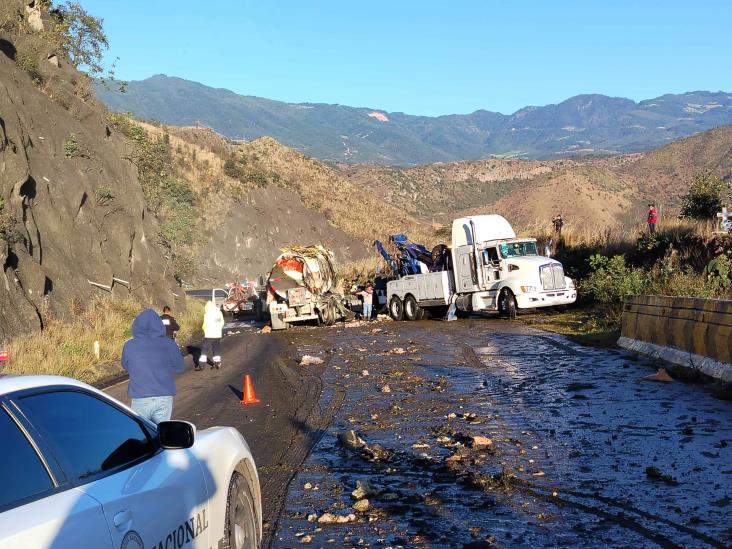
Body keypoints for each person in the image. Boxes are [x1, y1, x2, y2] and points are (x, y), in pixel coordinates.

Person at [122, 308, 186, 424]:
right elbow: (180, 367)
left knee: (143, 436)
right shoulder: (170, 344)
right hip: (164, 397)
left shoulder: (129, 345)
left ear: (136, 326)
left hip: (140, 397)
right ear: (159, 326)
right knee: (161, 435)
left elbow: (125, 365)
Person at [199, 300, 225, 370]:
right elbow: (222, 322)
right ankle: (217, 363)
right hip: (218, 334)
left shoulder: (207, 314)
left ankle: (201, 365)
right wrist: (218, 329)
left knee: (204, 348)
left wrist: (205, 331)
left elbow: (205, 325)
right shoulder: (219, 312)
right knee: (216, 348)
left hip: (210, 334)